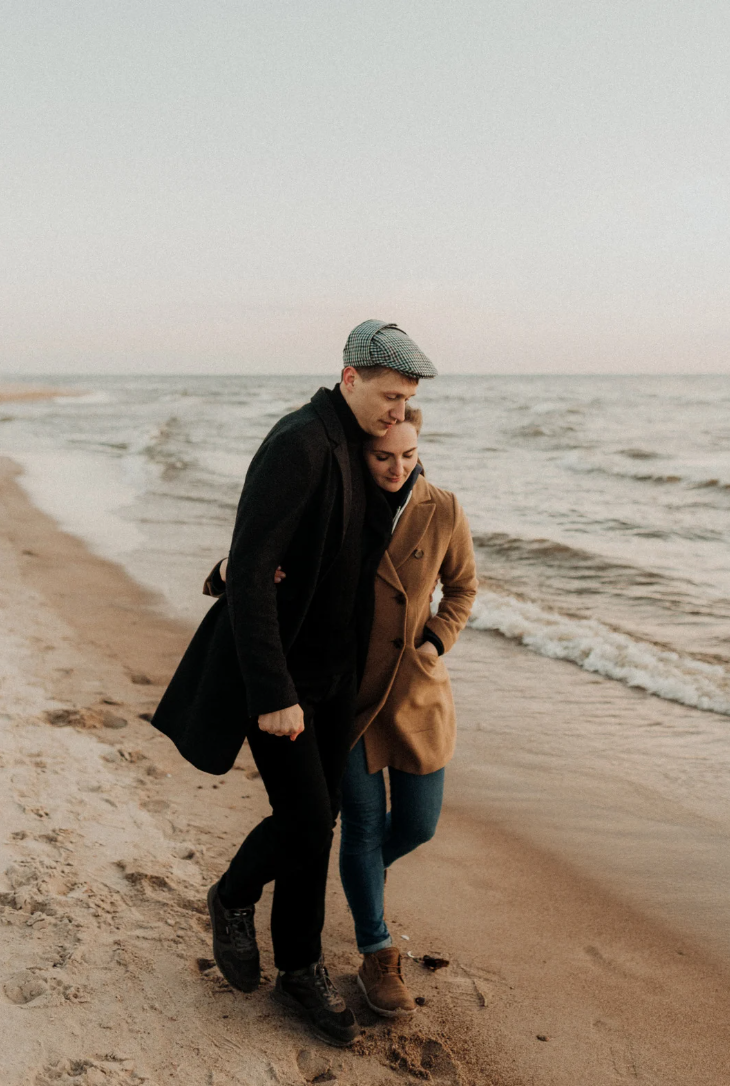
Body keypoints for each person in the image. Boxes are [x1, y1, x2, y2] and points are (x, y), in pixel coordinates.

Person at [151, 319, 436, 1048]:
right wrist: (274, 691)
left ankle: (300, 968)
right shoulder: (301, 442)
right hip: (284, 677)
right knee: (306, 820)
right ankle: (232, 895)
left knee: (320, 825)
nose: (398, 413)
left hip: (335, 676)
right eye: (391, 396)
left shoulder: (365, 447)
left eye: (407, 403)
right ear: (351, 377)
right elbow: (251, 565)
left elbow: (336, 544)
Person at [217, 405, 477, 1020]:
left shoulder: (441, 508)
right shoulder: (344, 499)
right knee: (345, 826)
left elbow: (462, 587)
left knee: (416, 825)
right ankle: (369, 950)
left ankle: (350, 877)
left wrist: (433, 640)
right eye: (383, 455)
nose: (396, 467)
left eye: (408, 455)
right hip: (349, 698)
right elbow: (274, 547)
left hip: (415, 693)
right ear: (362, 453)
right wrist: (233, 569)